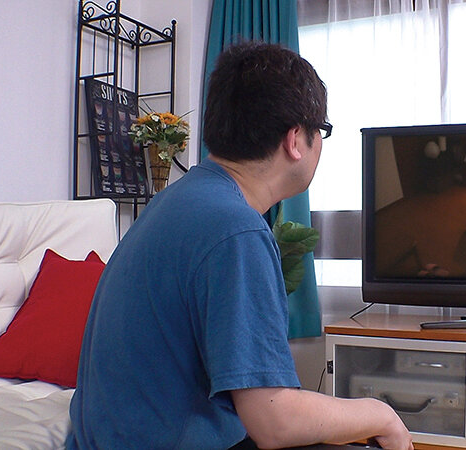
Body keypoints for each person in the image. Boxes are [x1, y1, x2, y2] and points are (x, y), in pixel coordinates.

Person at [67, 41, 413, 450]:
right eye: (321, 130)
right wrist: (381, 414)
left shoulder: (177, 200)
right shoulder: (236, 230)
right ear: (295, 140)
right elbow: (274, 421)